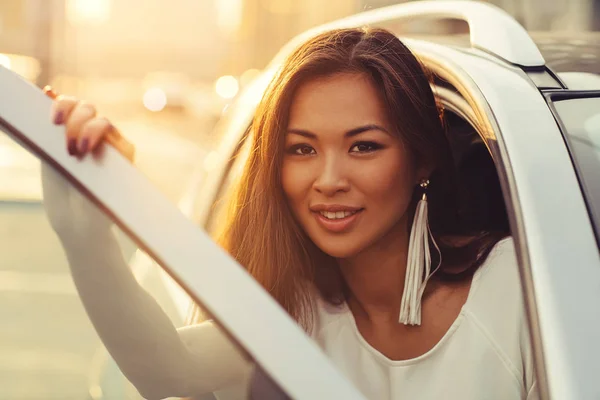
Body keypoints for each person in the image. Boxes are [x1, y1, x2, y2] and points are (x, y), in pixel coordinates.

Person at [42, 27, 538, 399]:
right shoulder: (292, 309)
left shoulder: (522, 290)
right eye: (301, 150)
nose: (328, 179)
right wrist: (84, 232)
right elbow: (166, 366)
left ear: (421, 159)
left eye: (363, 146)